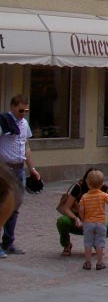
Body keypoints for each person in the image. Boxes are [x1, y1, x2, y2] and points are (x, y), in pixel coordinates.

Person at [56, 166, 108, 257]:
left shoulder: (99, 186)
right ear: (86, 180)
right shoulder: (78, 188)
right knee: (62, 221)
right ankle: (66, 244)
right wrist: (76, 219)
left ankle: (95, 244)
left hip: (93, 222)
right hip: (77, 223)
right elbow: (66, 208)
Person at [0, 94, 39, 257]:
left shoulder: (24, 124)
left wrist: (32, 168)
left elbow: (26, 146)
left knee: (15, 206)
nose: (23, 113)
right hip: (4, 169)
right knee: (2, 205)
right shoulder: (3, 121)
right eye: (20, 109)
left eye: (26, 110)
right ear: (13, 106)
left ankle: (9, 242)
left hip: (19, 169)